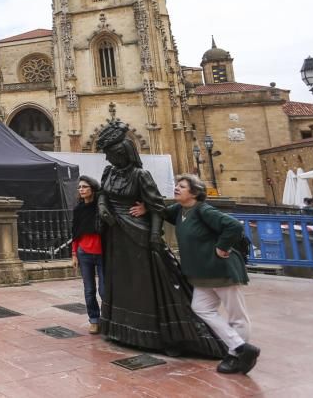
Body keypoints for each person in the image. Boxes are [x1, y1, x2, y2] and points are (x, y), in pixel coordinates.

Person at [95, 119, 225, 358]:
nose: (107, 159)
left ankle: (157, 335)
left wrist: (155, 235)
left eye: (111, 153)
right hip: (116, 235)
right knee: (122, 282)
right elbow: (102, 193)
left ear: (123, 153)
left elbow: (156, 207)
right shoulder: (109, 172)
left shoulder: (140, 175)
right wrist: (103, 208)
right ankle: (121, 330)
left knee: (146, 285)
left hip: (138, 234)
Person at [133, 175, 260, 374]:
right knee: (200, 308)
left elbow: (233, 226)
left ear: (194, 193)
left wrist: (221, 246)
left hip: (220, 269)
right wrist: (146, 209)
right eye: (177, 185)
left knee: (237, 316)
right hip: (201, 273)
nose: (176, 188)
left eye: (182, 186)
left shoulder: (204, 210)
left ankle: (237, 356)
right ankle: (240, 347)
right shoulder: (180, 210)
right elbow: (163, 212)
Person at [71, 175, 104, 334]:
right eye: (79, 187)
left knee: (104, 290)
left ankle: (108, 318)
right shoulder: (78, 209)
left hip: (102, 253)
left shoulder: (101, 207)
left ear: (92, 188)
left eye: (85, 187)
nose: (81, 189)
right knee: (89, 290)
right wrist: (74, 254)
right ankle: (94, 320)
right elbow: (75, 232)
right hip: (83, 253)